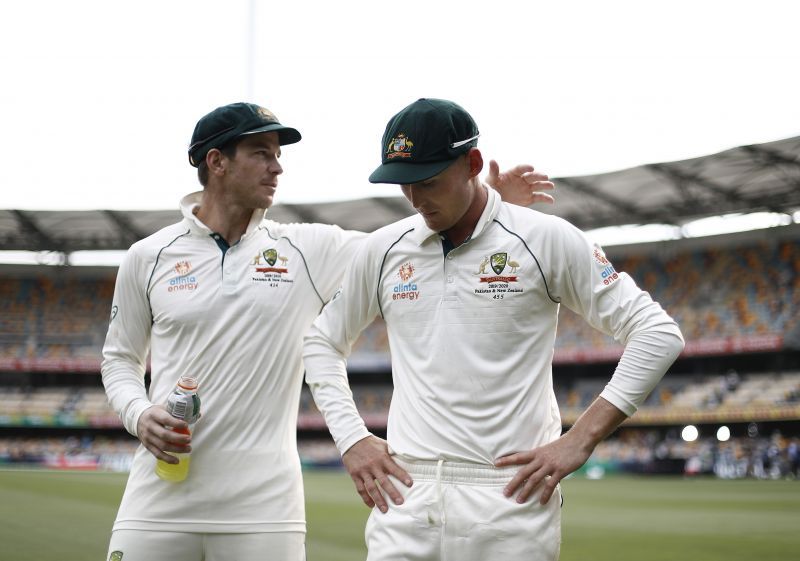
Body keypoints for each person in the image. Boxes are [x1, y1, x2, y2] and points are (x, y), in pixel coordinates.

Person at [100, 101, 556, 561]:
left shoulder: (306, 250)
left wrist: (489, 211)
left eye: (278, 154)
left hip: (265, 513)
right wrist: (139, 414)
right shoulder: (148, 256)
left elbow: (412, 247)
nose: (277, 166)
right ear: (216, 162)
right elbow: (120, 360)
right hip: (157, 500)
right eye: (261, 152)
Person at [303, 98, 685, 560]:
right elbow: (321, 340)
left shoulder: (545, 238)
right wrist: (352, 439)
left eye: (428, 181)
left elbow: (657, 333)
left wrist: (578, 440)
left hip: (510, 500)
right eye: (404, 185)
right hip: (405, 498)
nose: (417, 199)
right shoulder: (384, 249)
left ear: (473, 163)